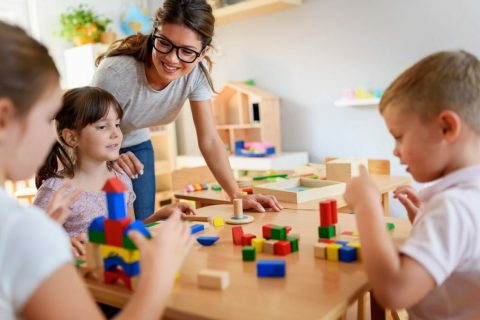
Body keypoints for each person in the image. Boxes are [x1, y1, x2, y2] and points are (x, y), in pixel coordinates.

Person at [0, 21, 193, 319]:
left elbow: (126, 228)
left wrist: (153, 222)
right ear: (4, 119)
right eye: (47, 118)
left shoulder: (26, 226)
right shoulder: (23, 229)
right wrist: (161, 274)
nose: (50, 134)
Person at [93, 0, 282, 220]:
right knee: (104, 223)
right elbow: (83, 128)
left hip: (135, 141)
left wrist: (236, 195)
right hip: (93, 143)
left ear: (203, 52)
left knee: (143, 223)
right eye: (164, 43)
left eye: (187, 51)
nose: (172, 58)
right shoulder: (116, 72)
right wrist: (110, 155)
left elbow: (209, 140)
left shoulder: (195, 76)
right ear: (154, 34)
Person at [344, 50, 480, 318]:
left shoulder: (453, 207)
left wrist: (367, 205)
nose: (395, 151)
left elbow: (394, 292)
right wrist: (423, 219)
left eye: (398, 136)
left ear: (446, 128)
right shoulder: (467, 199)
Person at [34, 86, 196, 257]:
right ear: (72, 137)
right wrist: (62, 244)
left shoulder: (122, 179)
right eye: (102, 127)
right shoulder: (55, 190)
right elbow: (33, 246)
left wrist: (159, 216)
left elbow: (128, 232)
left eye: (117, 124)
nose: (116, 134)